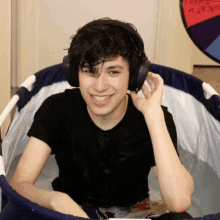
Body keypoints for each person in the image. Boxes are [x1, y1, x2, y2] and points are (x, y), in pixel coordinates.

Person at [9, 17, 194, 219]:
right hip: (71, 211)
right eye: (89, 71)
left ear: (134, 76)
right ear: (74, 73)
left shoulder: (155, 117)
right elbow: (19, 184)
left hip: (133, 211)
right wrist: (57, 200)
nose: (100, 86)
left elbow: (179, 202)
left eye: (113, 72)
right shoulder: (57, 108)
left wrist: (154, 116)